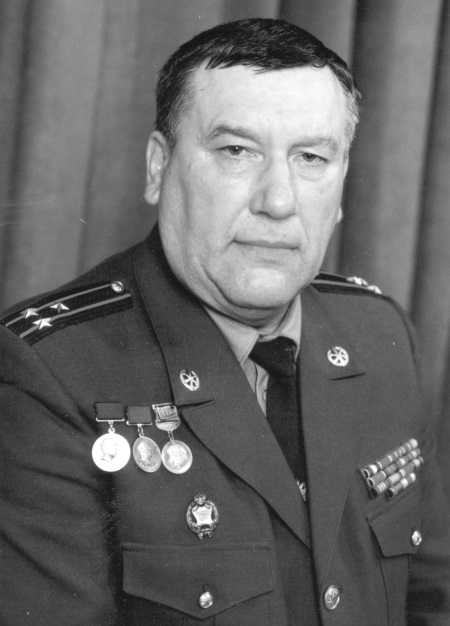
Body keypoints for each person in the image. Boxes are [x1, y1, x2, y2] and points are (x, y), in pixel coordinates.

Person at [0, 17, 449, 626]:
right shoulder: (48, 373)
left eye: (311, 157)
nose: (278, 200)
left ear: (342, 187)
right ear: (159, 167)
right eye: (237, 151)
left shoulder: (379, 334)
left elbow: (433, 597)